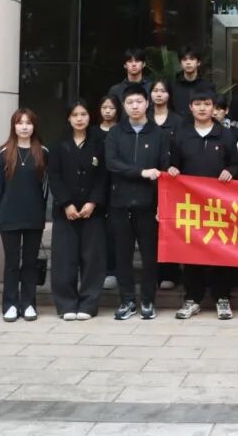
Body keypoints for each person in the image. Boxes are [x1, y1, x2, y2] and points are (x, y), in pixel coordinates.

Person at [168, 86, 238, 320]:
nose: (202, 108)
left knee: (221, 250)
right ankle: (192, 299)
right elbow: (173, 164)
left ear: (214, 108)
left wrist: (231, 170)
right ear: (190, 107)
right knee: (192, 251)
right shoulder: (181, 134)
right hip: (191, 205)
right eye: (197, 104)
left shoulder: (225, 135)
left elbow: (236, 163)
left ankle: (222, 298)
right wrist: (173, 169)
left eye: (207, 104)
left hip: (219, 205)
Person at [105, 85, 171, 320]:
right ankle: (127, 301)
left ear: (147, 104)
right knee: (122, 256)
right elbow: (112, 163)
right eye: (130, 102)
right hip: (120, 204)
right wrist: (141, 172)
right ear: (124, 106)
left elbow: (164, 168)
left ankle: (147, 301)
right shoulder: (115, 133)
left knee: (149, 257)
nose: (135, 106)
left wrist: (162, 203)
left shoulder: (159, 134)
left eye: (139, 102)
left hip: (149, 205)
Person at [0, 109, 49, 323]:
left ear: (34, 126)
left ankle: (29, 304)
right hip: (9, 217)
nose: (24, 127)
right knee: (12, 263)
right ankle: (11, 305)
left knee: (30, 263)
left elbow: (44, 188)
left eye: (28, 123)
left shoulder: (43, 152)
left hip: (33, 216)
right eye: (20, 123)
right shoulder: (3, 153)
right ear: (13, 126)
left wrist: (42, 213)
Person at [48, 99, 107, 321]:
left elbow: (103, 177)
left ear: (90, 117)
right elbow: (54, 177)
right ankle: (66, 304)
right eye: (75, 115)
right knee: (64, 260)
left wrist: (93, 202)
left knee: (93, 260)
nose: (79, 119)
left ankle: (88, 304)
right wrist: (66, 203)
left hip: (93, 212)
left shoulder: (99, 143)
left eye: (83, 114)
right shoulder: (58, 145)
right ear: (68, 118)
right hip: (66, 212)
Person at [149, 78, 183, 291]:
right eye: (155, 90)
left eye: (163, 90)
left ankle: (170, 272)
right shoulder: (144, 118)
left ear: (169, 94)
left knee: (169, 227)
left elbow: (181, 148)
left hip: (171, 180)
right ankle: (153, 274)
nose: (159, 94)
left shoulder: (178, 121)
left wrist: (175, 168)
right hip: (148, 180)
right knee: (150, 229)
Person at [96, 95, 119, 290]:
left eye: (111, 107)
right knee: (97, 230)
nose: (108, 111)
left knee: (113, 231)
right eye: (104, 107)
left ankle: (112, 270)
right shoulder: (93, 132)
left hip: (118, 186)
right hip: (96, 186)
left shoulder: (122, 131)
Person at [171, 45, 211, 124]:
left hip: (201, 127)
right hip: (177, 128)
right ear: (180, 63)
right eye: (184, 59)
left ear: (198, 62)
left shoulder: (208, 86)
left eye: (192, 59)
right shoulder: (172, 86)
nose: (188, 62)